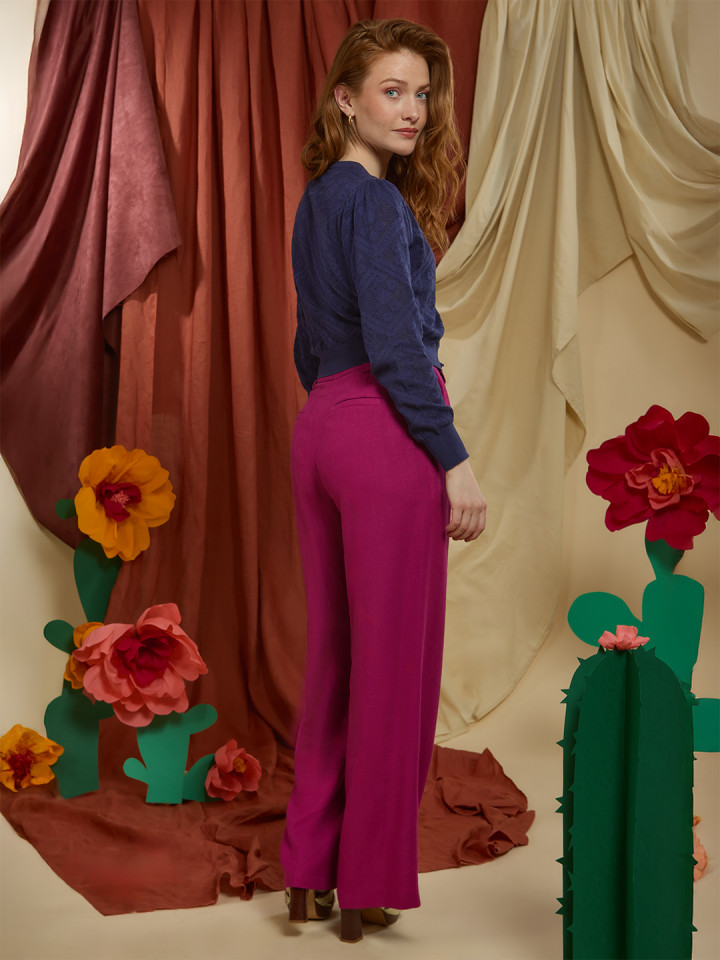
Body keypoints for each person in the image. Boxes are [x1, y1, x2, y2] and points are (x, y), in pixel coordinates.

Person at [280, 18, 486, 944]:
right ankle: (367, 881)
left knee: (335, 659)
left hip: (321, 427)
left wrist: (339, 415)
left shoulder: (318, 201)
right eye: (392, 91)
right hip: (382, 433)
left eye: (422, 94)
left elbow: (308, 346)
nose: (412, 110)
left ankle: (308, 870)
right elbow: (399, 346)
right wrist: (453, 458)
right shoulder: (376, 204)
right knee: (393, 668)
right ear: (346, 99)